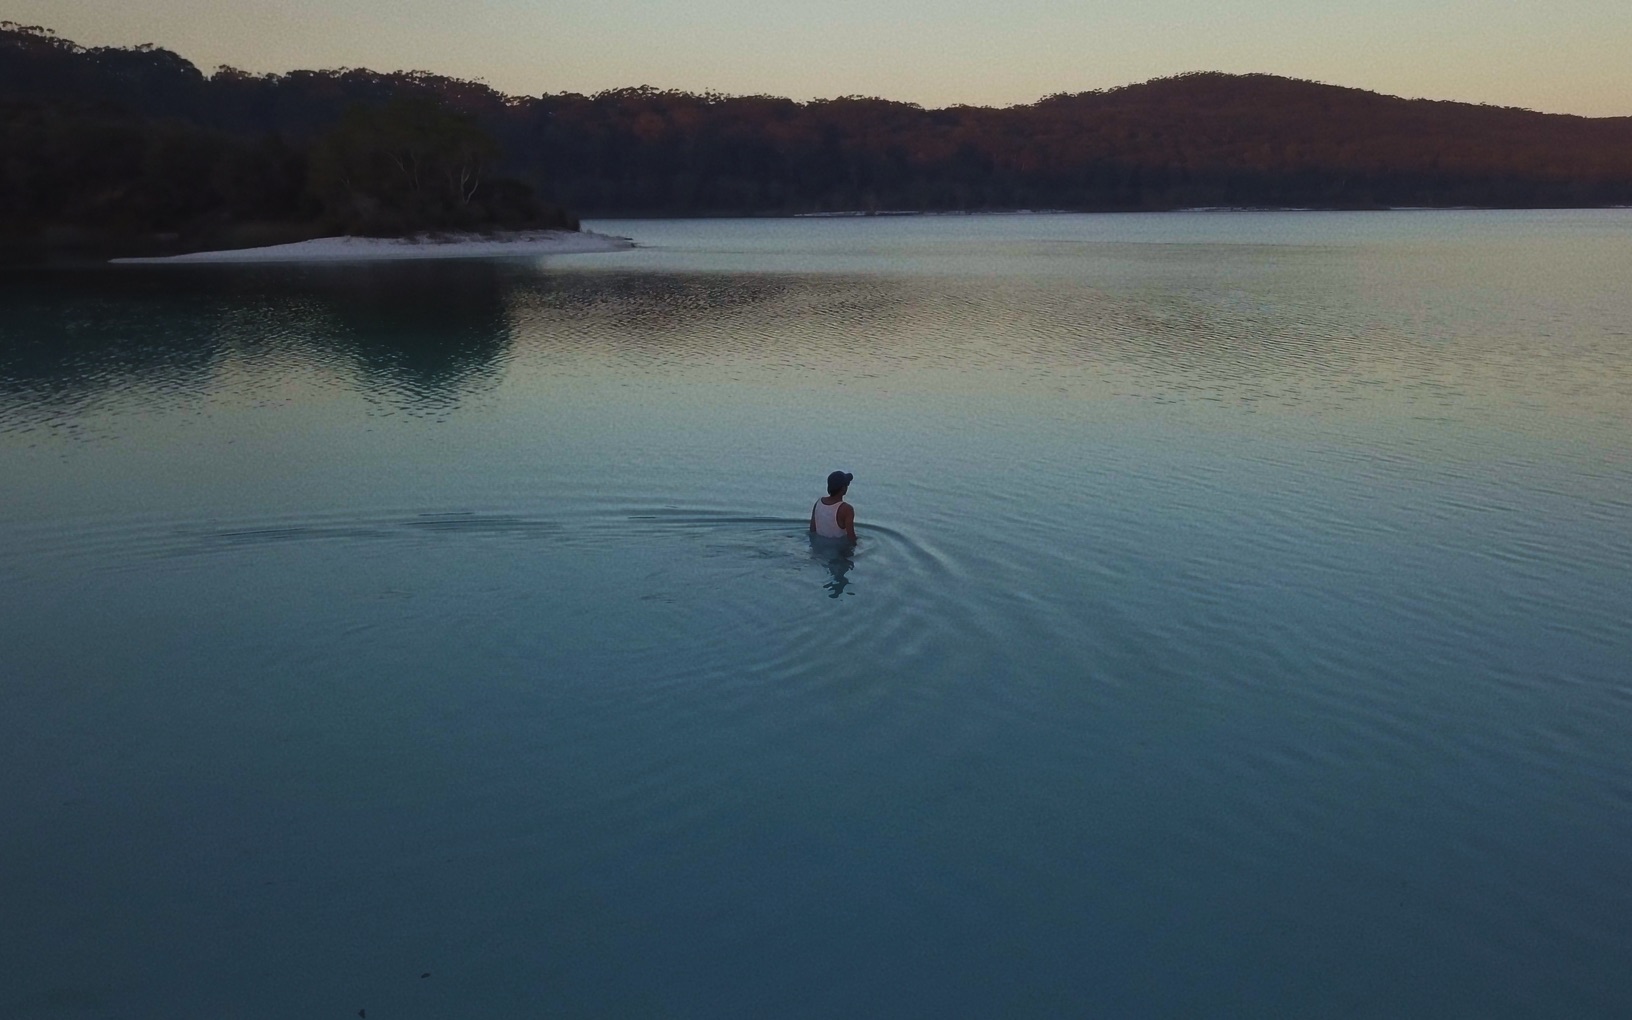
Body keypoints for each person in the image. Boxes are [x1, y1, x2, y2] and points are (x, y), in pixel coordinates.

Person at [810, 470, 857, 541]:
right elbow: (851, 538)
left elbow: (812, 531)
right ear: (843, 488)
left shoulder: (818, 503)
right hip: (838, 550)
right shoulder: (847, 509)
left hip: (818, 548)